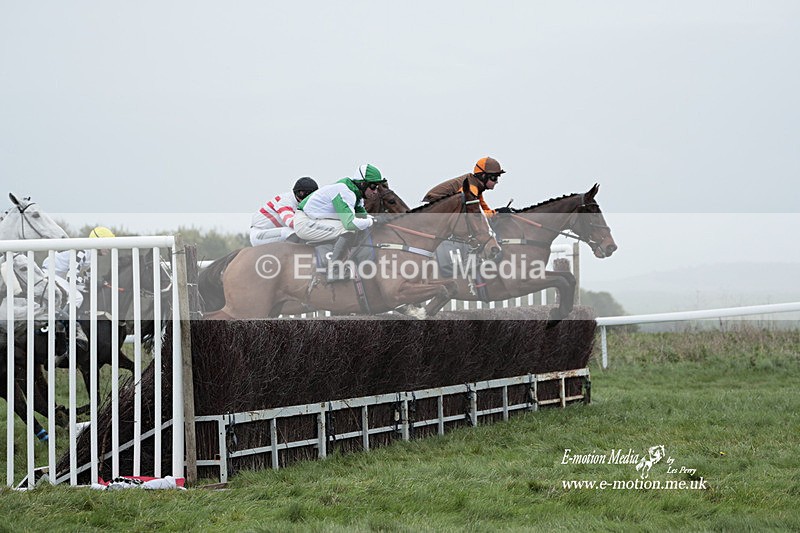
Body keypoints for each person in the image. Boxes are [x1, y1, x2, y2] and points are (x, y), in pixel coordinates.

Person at [293, 164, 386, 280]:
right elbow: (350, 223)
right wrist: (373, 221)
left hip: (316, 220)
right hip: (305, 223)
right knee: (348, 228)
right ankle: (334, 270)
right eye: (373, 186)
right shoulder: (345, 192)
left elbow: (363, 216)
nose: (376, 191)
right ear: (362, 184)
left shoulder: (356, 194)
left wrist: (380, 219)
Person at [42, 226, 115, 310]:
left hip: (59, 276)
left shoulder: (91, 256)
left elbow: (88, 280)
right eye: (108, 244)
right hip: (49, 273)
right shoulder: (82, 252)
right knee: (77, 297)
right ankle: (62, 322)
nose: (109, 248)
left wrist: (96, 283)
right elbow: (71, 278)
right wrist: (89, 283)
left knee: (85, 291)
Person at [423, 156, 507, 216]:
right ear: (483, 176)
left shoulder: (476, 186)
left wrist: (497, 212)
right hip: (433, 207)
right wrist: (496, 213)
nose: (496, 182)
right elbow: (477, 216)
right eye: (494, 178)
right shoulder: (471, 188)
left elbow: (484, 209)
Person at [249, 177, 319, 246]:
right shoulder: (285, 201)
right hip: (259, 235)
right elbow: (291, 222)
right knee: (293, 232)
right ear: (301, 193)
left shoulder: (301, 204)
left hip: (274, 232)